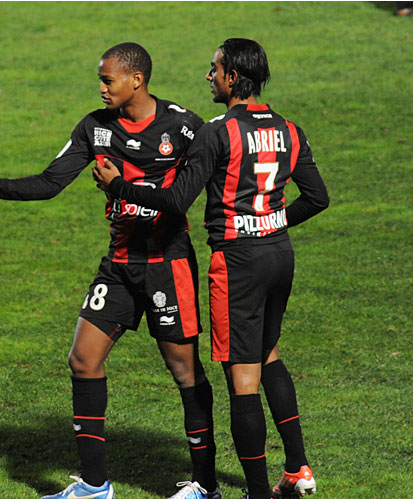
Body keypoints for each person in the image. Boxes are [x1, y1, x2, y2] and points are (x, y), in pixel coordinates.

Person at [0, 43, 219, 500]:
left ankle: (206, 486)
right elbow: (50, 183)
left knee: (184, 372)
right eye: (101, 80)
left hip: (168, 266)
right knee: (84, 359)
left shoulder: (185, 127)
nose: (102, 88)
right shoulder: (95, 127)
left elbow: (193, 193)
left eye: (108, 80)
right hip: (120, 265)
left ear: (136, 80)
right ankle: (94, 486)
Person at [93, 38, 329, 499]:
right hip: (280, 255)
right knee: (268, 353)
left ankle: (258, 493)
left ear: (233, 78)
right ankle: (298, 468)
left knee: (242, 376)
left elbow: (178, 199)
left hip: (237, 262)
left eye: (215, 69)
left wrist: (121, 186)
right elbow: (318, 198)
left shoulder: (217, 132)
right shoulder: (289, 129)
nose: (209, 76)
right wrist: (272, 219)